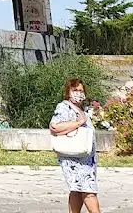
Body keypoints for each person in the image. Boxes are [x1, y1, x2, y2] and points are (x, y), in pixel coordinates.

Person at [50, 78, 100, 213]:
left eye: (81, 90)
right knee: (89, 191)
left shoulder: (82, 108)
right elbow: (55, 127)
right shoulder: (64, 107)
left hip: (86, 158)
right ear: (68, 91)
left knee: (77, 190)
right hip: (73, 158)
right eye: (75, 90)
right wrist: (77, 123)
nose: (78, 93)